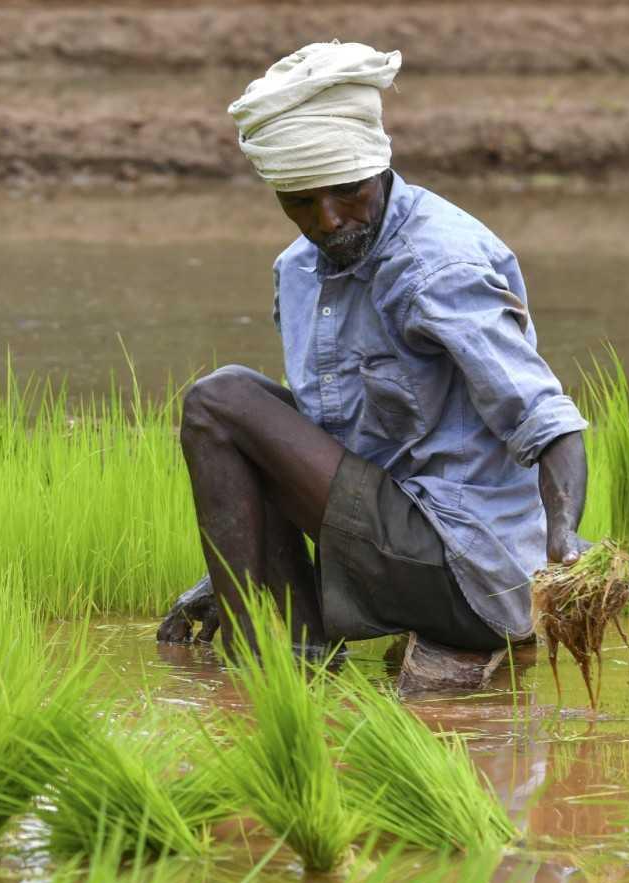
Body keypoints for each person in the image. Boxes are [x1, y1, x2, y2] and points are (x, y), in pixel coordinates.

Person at [157, 42, 605, 670]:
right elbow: (316, 454)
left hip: (470, 573)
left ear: (379, 168)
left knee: (218, 400)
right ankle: (292, 648)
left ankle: (255, 656)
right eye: (301, 202)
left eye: (347, 192)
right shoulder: (298, 271)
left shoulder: (437, 267)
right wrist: (231, 569)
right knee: (242, 403)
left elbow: (547, 419)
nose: (330, 220)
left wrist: (565, 542)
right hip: (397, 541)